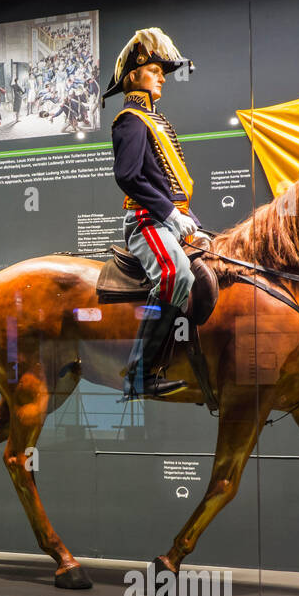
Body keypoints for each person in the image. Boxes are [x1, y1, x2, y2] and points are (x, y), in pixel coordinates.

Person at [103, 28, 200, 399]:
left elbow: (169, 181)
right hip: (146, 221)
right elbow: (128, 177)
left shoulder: (155, 120)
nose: (162, 77)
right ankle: (138, 372)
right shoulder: (130, 119)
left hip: (169, 220)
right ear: (133, 77)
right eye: (155, 71)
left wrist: (192, 223)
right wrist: (169, 214)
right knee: (176, 274)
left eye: (162, 72)